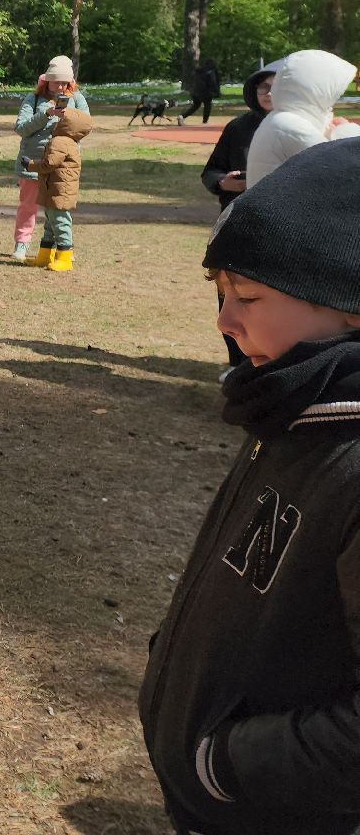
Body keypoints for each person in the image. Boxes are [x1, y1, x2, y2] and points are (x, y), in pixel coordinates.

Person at [139, 137, 360, 835]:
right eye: (221, 293)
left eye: (250, 296)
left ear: (347, 306)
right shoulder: (291, 405)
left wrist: (228, 764)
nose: (224, 323)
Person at [201, 66, 276, 368]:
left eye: (275, 87)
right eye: (263, 88)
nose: (269, 93)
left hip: (280, 227)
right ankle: (237, 365)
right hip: (239, 223)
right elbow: (211, 171)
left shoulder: (302, 127)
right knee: (232, 292)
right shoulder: (238, 128)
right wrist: (223, 182)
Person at [243, 49, 360, 188]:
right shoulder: (287, 124)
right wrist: (345, 131)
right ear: (314, 87)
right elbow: (344, 170)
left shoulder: (286, 119)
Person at [13, 57, 90, 261]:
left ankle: (62, 248)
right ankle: (22, 243)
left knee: (58, 207)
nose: (61, 86)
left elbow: (85, 126)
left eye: (65, 83)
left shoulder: (77, 99)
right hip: (32, 162)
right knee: (28, 207)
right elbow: (21, 128)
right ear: (47, 80)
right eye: (57, 82)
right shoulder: (33, 99)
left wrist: (68, 116)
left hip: (61, 166)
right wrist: (46, 114)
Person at [25, 103, 92, 272]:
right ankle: (45, 256)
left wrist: (30, 164)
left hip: (58, 192)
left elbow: (49, 164)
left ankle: (64, 258)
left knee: (60, 224)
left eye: (60, 120)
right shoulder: (69, 141)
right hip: (56, 190)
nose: (55, 123)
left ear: (68, 125)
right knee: (50, 224)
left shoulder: (60, 141)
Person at [180, 56, 222, 124]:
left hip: (195, 91)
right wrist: (216, 91)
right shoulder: (210, 71)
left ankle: (182, 116)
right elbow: (212, 82)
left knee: (195, 106)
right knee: (207, 106)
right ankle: (205, 121)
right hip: (206, 92)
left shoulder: (199, 71)